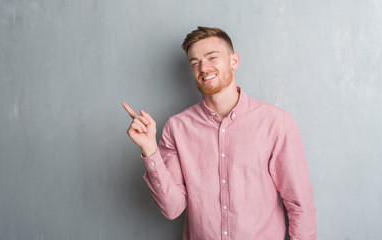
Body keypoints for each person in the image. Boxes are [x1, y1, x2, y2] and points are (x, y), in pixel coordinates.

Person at [122, 26, 317, 240]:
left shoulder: (275, 122)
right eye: (195, 63)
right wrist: (150, 149)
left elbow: (300, 205)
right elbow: (173, 209)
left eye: (212, 57)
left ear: (234, 61)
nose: (204, 68)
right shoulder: (176, 128)